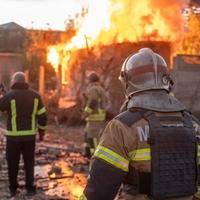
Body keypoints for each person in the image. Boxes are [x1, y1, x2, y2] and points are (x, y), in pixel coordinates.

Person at [80, 48, 200, 200]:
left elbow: (99, 190)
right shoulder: (194, 125)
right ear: (167, 81)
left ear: (128, 82)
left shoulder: (122, 127)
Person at [0, 72, 47, 197]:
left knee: (12, 163)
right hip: (29, 137)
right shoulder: (36, 96)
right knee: (29, 163)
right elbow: (43, 115)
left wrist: (2, 95)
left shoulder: (10, 95)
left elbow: (1, 108)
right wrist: (41, 132)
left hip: (13, 137)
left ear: (14, 81)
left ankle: (13, 189)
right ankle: (30, 188)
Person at [82, 72, 108, 158]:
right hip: (99, 117)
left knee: (92, 138)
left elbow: (93, 102)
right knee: (87, 135)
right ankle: (87, 153)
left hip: (94, 117)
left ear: (90, 81)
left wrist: (85, 114)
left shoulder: (93, 89)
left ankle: (95, 157)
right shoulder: (101, 89)